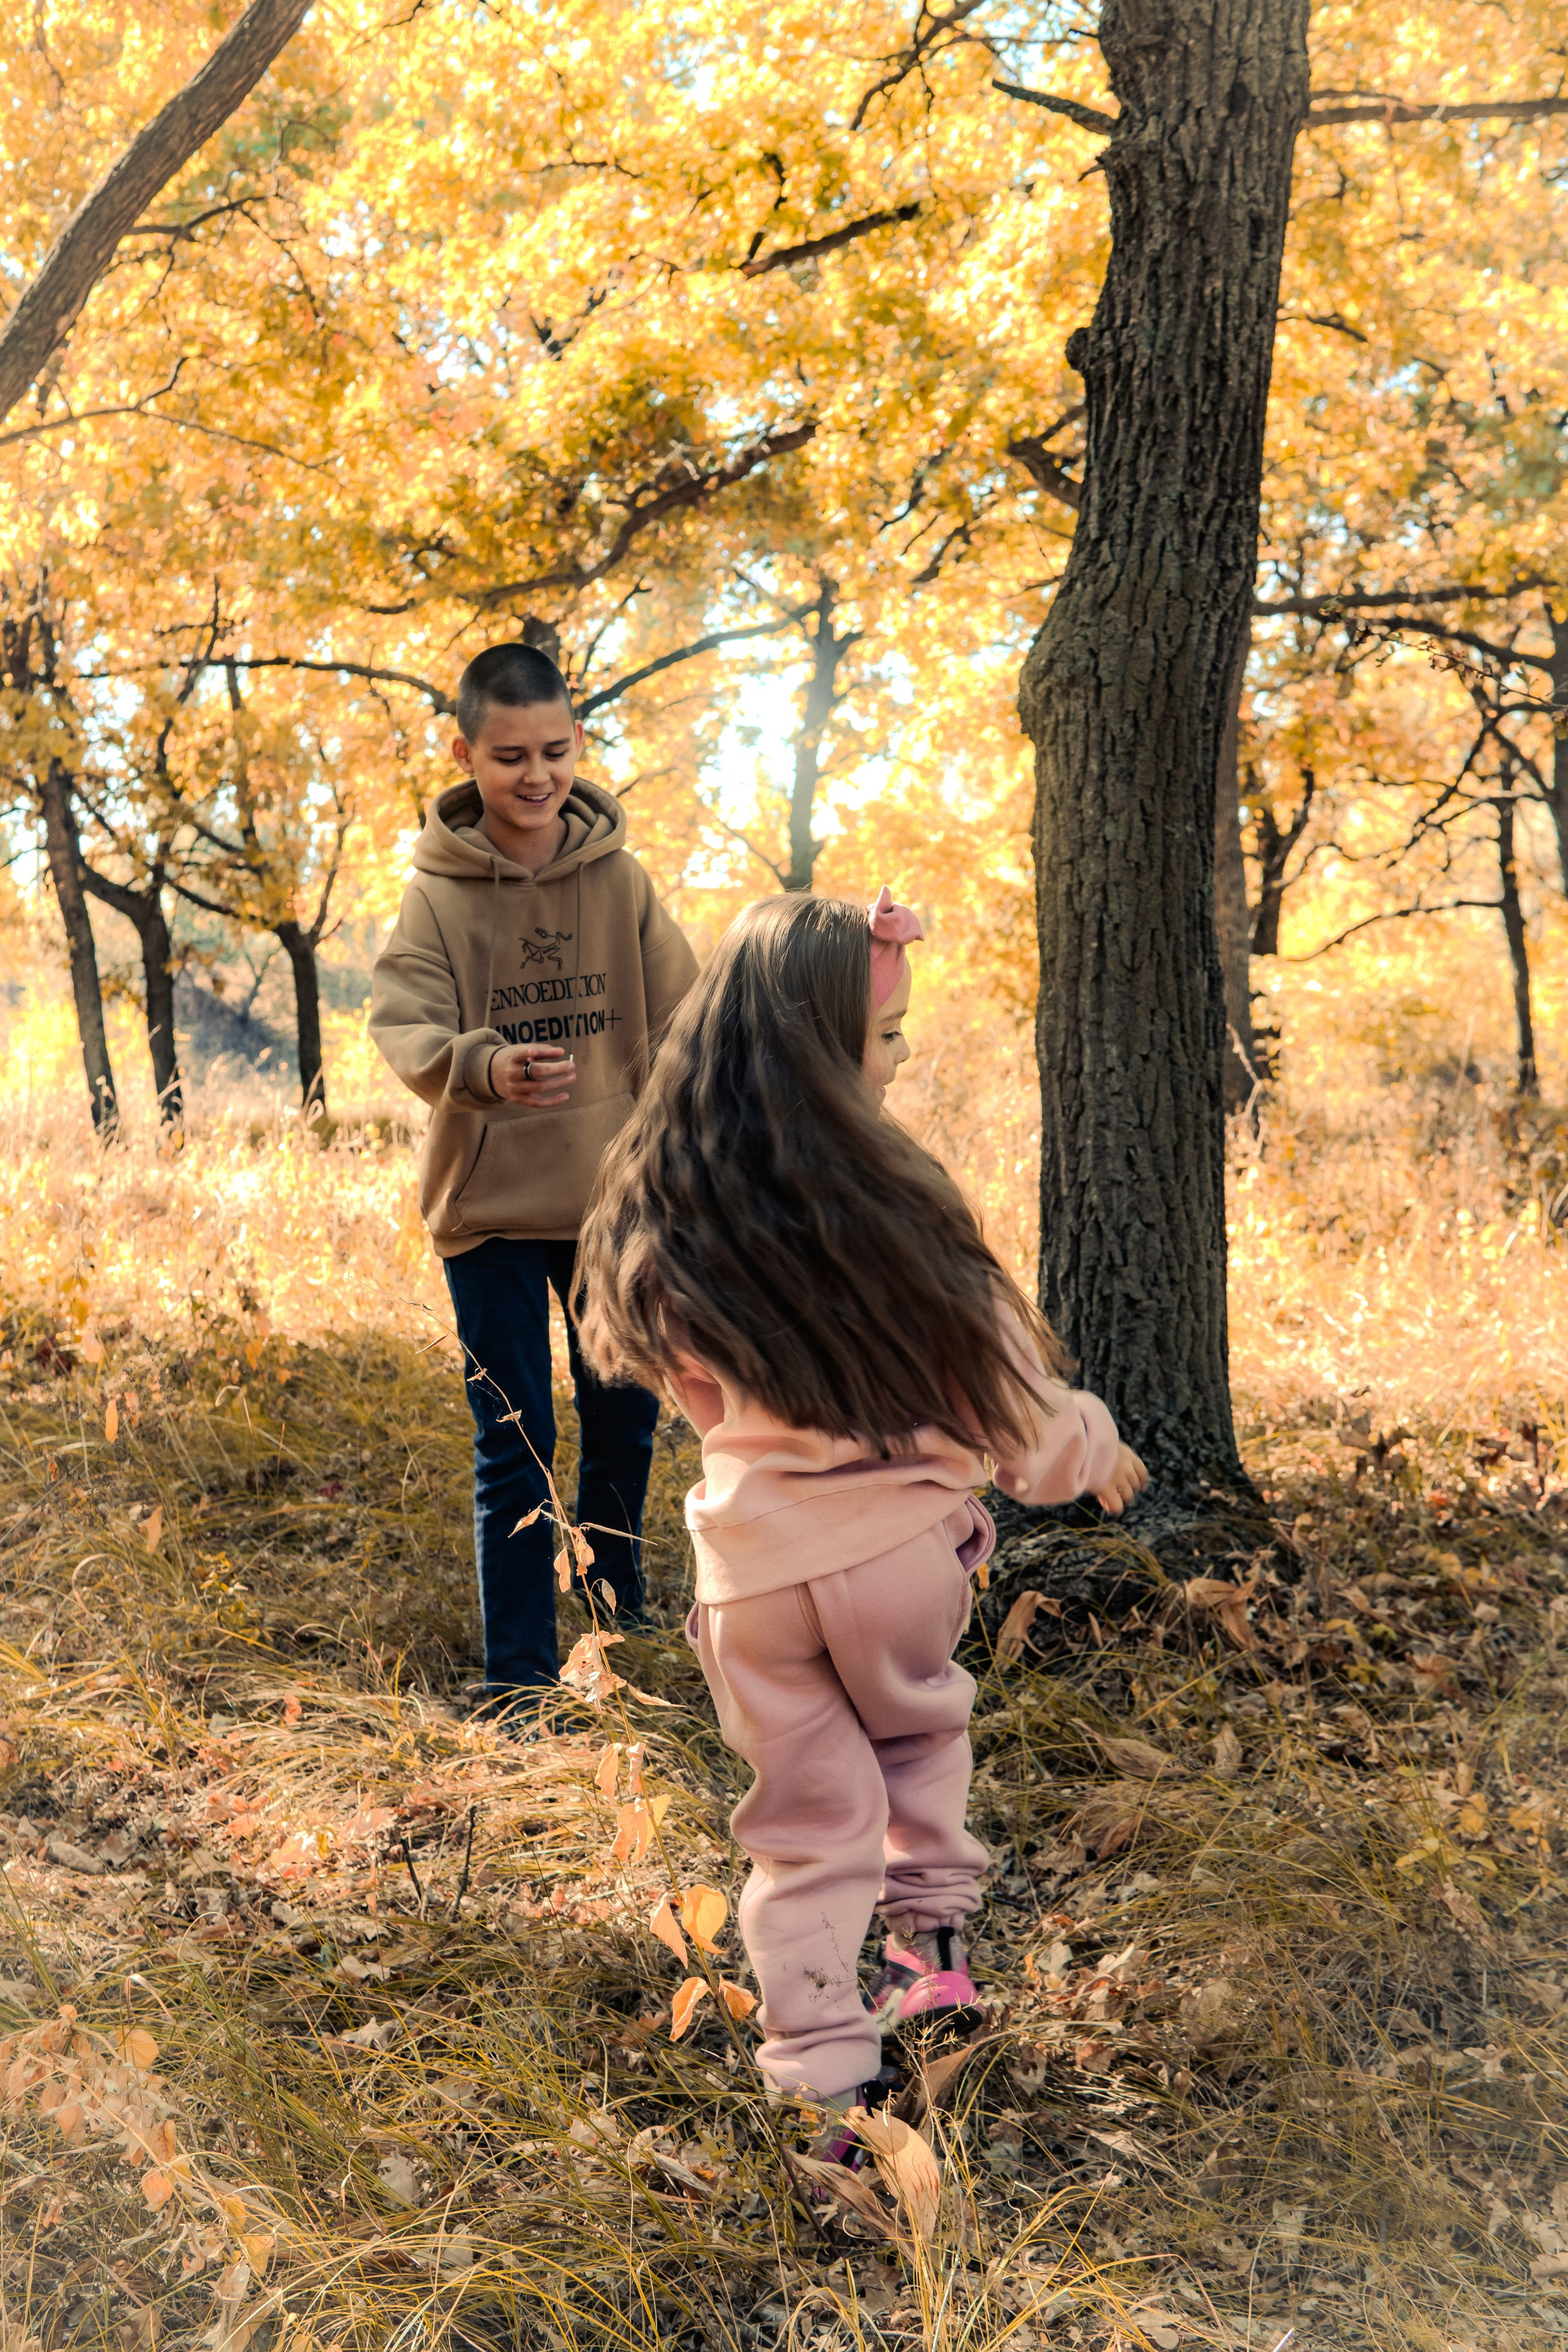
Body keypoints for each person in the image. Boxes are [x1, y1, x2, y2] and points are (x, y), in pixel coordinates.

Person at [576, 888, 1147, 2150]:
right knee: (919, 1745)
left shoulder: (679, 1210)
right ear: (832, 1061)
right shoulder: (903, 1220)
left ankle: (827, 2082)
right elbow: (1011, 1412)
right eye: (887, 1040)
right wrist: (1091, 1448)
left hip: (754, 1581)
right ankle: (932, 1949)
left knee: (803, 1829)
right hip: (894, 1563)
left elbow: (690, 1389)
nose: (896, 1063)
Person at [369, 641, 698, 1705]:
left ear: (578, 744)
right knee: (515, 1435)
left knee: (623, 1420)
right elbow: (406, 1023)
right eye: (509, 755)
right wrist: (486, 1065)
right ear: (466, 754)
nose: (536, 775)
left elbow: (684, 1019)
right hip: (493, 1214)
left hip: (613, 1209)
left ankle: (616, 1618)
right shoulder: (436, 897)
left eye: (554, 751)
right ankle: (516, 1674)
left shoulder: (620, 880)